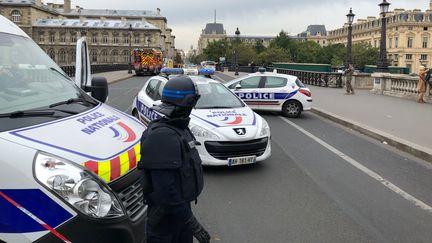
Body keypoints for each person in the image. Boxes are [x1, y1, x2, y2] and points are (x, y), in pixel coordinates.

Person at [138, 76, 211, 243]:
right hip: (165, 223)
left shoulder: (178, 128)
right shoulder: (161, 136)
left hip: (178, 215)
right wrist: (192, 223)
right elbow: (166, 191)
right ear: (186, 103)